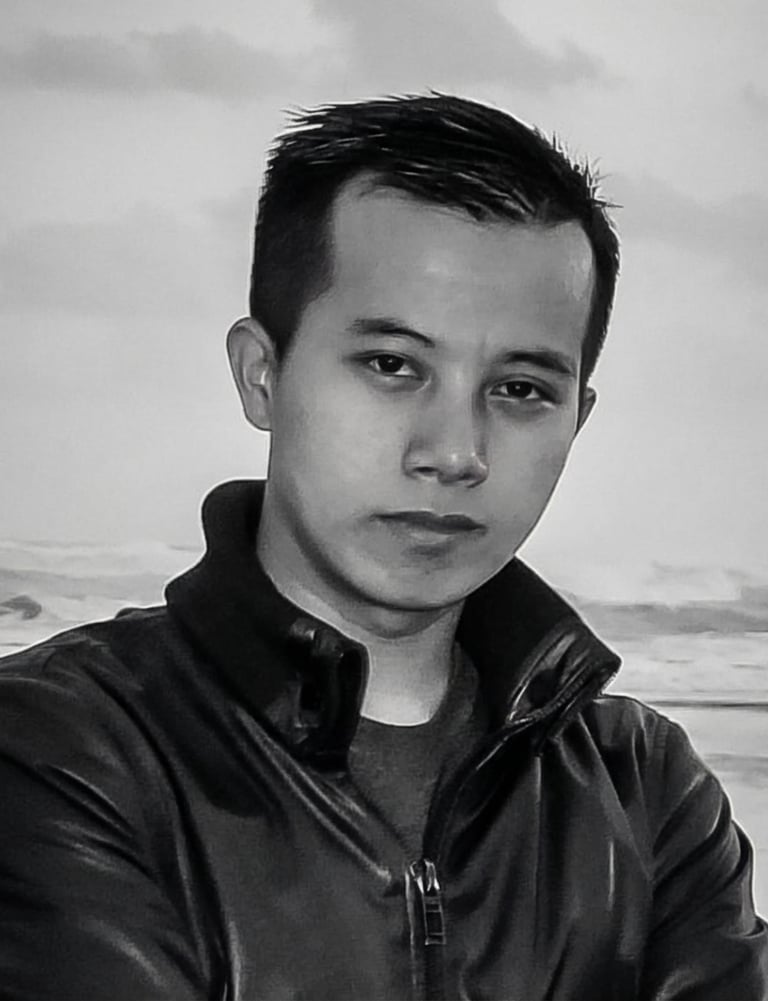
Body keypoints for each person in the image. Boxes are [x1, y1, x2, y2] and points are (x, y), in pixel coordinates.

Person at [0, 94, 765, 1001]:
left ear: (577, 417)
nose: (455, 452)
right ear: (262, 374)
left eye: (521, 388)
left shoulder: (646, 788)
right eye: (393, 365)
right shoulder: (59, 747)